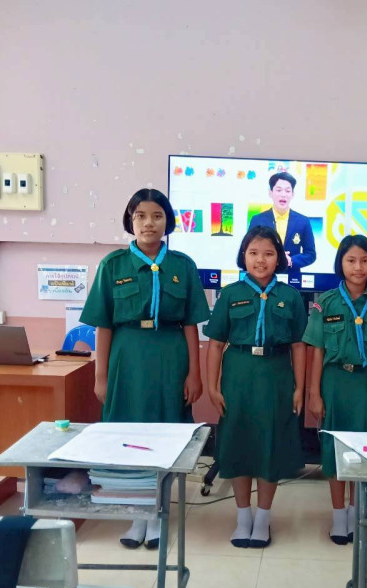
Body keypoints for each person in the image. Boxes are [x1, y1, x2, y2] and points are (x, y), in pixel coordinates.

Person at [80, 188, 209, 549]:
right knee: (127, 434)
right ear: (130, 220)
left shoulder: (182, 265)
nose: (149, 223)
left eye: (157, 215)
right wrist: (101, 376)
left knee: (165, 434)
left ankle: (157, 514)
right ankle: (136, 515)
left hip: (170, 357)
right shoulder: (113, 265)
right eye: (140, 216)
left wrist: (194, 373)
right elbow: (103, 325)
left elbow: (190, 325)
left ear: (168, 221)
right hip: (127, 357)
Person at [204, 226, 307, 549]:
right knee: (239, 444)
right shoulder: (230, 293)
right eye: (253, 253)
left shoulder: (291, 297)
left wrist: (300, 388)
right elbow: (215, 344)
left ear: (279, 259)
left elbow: (299, 346)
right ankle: (242, 517)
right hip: (238, 374)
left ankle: (263, 518)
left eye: (268, 253)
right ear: (243, 256)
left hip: (276, 376)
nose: (260, 260)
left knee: (270, 446)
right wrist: (212, 387)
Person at [303, 234, 367, 545]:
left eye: (365, 260)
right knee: (334, 451)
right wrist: (314, 393)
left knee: (363, 450)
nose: (358, 267)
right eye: (351, 260)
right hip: (335, 383)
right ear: (340, 263)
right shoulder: (325, 302)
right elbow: (316, 351)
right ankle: (338, 515)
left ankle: (357, 513)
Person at [248, 172, 316, 277]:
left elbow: (310, 254)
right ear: (270, 193)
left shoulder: (303, 221)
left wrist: (290, 260)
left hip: (292, 278)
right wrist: (272, 257)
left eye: (287, 191)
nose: (283, 194)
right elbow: (249, 251)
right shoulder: (258, 220)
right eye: (279, 190)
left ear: (292, 194)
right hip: (263, 276)